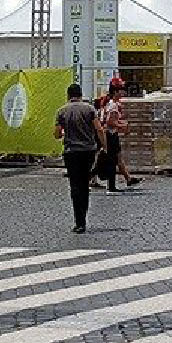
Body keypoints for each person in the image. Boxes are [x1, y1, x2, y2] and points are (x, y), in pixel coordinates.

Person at [53, 84, 103, 233]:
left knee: (75, 186)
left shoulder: (61, 111)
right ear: (81, 94)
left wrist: (64, 134)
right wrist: (104, 147)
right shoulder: (89, 109)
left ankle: (78, 221)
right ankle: (84, 218)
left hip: (71, 151)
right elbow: (99, 128)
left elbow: (56, 134)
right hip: (88, 151)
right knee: (84, 184)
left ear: (68, 95)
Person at [96, 82, 141, 193]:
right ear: (115, 92)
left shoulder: (111, 103)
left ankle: (128, 179)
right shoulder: (113, 105)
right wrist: (123, 126)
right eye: (121, 90)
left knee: (116, 159)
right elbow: (110, 122)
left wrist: (120, 123)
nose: (123, 92)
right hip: (110, 135)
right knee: (110, 161)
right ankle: (111, 186)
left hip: (111, 134)